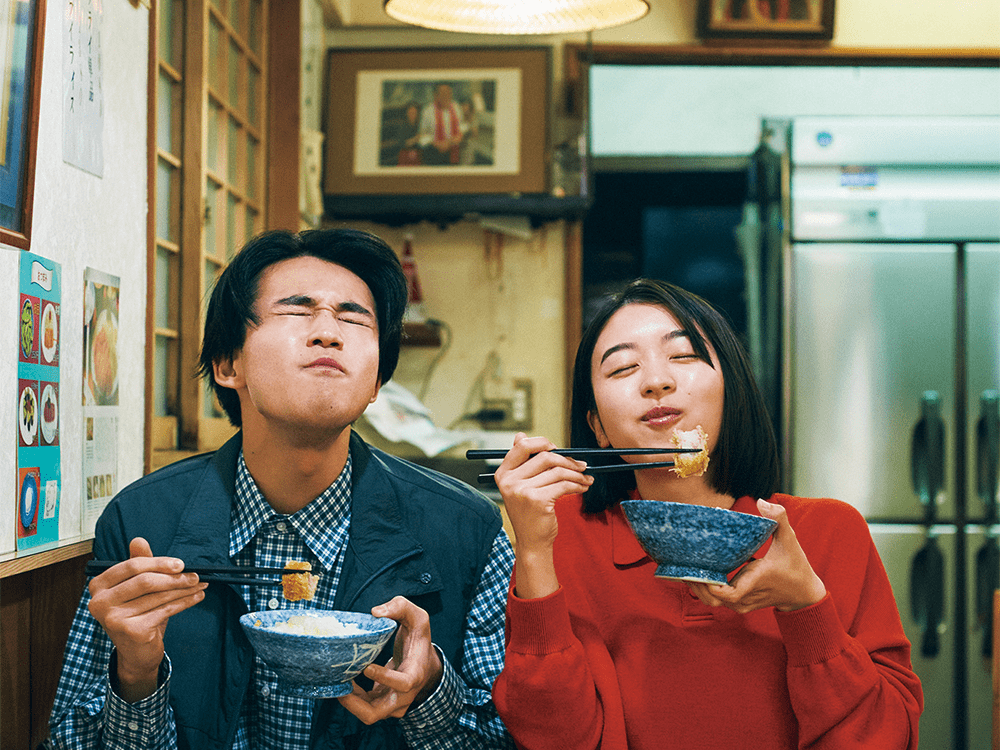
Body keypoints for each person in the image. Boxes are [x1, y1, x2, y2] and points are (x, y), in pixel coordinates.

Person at [49, 228, 516, 750]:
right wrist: (136, 674)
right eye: (297, 311)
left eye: (353, 316)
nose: (328, 333)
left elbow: (502, 738)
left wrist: (429, 689)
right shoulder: (142, 523)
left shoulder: (468, 529)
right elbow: (71, 738)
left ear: (377, 382)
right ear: (229, 365)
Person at [490, 279, 923, 749]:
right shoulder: (566, 536)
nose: (656, 381)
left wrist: (805, 604)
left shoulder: (829, 533)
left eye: (682, 356)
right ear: (597, 427)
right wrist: (532, 551)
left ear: (731, 389)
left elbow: (885, 737)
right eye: (622, 368)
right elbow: (554, 738)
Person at [418, 84, 466, 166]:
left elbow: (462, 127)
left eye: (449, 93)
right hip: (434, 153)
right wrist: (436, 144)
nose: (447, 96)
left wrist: (459, 136)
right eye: (443, 93)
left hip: (453, 151)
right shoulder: (427, 111)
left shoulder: (456, 107)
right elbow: (421, 135)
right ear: (435, 95)